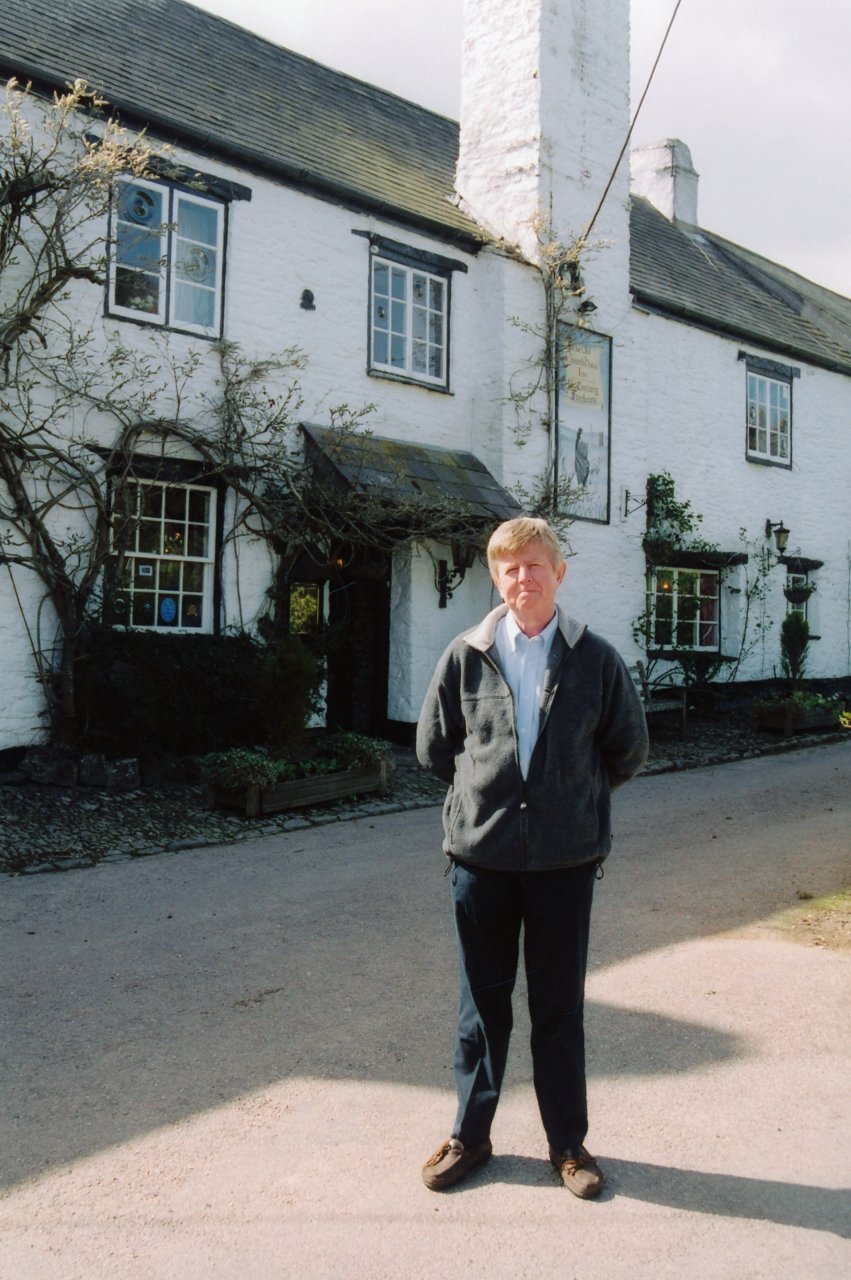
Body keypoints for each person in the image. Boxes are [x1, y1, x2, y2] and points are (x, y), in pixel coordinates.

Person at [416, 516, 649, 1198]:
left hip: (562, 864)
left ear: (558, 574)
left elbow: (626, 749)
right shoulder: (465, 653)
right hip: (480, 862)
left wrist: (567, 800)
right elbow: (435, 748)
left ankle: (568, 1145)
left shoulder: (594, 659)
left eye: (535, 566)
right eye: (510, 568)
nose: (523, 578)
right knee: (480, 1007)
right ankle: (470, 1136)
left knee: (556, 1008)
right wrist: (485, 801)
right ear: (497, 577)